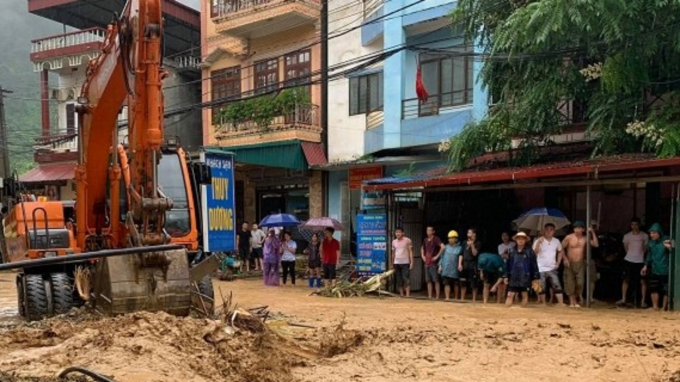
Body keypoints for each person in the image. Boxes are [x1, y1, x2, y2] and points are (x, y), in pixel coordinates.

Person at [562, 221, 599, 308]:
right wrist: (565, 259)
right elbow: (561, 248)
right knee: (569, 282)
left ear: (583, 229)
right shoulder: (569, 237)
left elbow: (596, 244)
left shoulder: (585, 238)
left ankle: (576, 299)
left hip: (580, 263)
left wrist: (592, 232)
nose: (577, 230)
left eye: (579, 228)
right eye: (575, 228)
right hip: (570, 263)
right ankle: (572, 302)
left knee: (580, 283)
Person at [617, 218, 649, 307]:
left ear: (639, 225)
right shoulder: (627, 236)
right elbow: (626, 248)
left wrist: (640, 255)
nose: (634, 227)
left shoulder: (644, 236)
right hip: (629, 260)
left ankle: (643, 301)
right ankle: (623, 299)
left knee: (642, 281)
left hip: (640, 261)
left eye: (636, 224)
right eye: (632, 225)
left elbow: (645, 248)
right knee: (625, 279)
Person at [641, 223, 673, 311]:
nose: (652, 235)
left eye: (654, 233)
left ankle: (664, 307)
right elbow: (649, 255)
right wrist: (645, 265)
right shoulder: (651, 243)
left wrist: (670, 247)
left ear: (659, 233)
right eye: (651, 233)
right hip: (655, 269)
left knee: (666, 289)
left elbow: (674, 250)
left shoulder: (666, 240)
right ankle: (655, 306)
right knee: (653, 287)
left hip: (665, 269)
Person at [533, 223, 566, 306]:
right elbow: (534, 252)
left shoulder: (556, 241)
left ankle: (560, 303)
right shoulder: (538, 240)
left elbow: (560, 251)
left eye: (551, 229)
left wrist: (558, 262)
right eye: (547, 229)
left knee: (556, 285)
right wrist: (538, 243)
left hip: (552, 266)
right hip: (540, 266)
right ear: (544, 230)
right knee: (542, 286)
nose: (548, 231)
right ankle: (543, 303)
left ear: (554, 231)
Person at [504, 232, 540, 307]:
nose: (520, 240)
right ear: (516, 240)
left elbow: (534, 264)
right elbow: (507, 264)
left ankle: (522, 313)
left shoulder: (530, 252)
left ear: (525, 240)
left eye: (522, 239)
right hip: (513, 276)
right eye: (519, 239)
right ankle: (506, 312)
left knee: (524, 295)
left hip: (525, 276)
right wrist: (505, 276)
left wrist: (535, 277)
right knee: (510, 295)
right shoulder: (511, 251)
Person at [421, 226, 444, 299]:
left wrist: (437, 256)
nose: (428, 232)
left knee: (436, 280)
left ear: (433, 231)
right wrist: (422, 256)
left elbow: (443, 247)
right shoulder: (425, 240)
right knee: (428, 280)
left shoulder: (436, 239)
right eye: (427, 230)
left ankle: (437, 296)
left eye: (430, 231)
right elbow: (422, 248)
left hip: (434, 263)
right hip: (427, 262)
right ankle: (430, 296)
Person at [459, 228, 482, 302]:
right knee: (463, 283)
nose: (468, 234)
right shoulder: (464, 242)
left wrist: (472, 245)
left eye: (470, 232)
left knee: (474, 284)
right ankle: (462, 298)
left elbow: (475, 254)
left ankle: (474, 299)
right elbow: (461, 254)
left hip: (472, 265)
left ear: (474, 234)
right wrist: (459, 264)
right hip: (464, 264)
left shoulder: (478, 243)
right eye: (468, 232)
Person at [439, 230, 462, 301]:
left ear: (456, 239)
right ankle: (447, 297)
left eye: (452, 238)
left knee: (456, 283)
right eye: (449, 238)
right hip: (446, 268)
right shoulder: (445, 247)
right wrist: (440, 265)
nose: (450, 239)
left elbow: (461, 257)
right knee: (446, 283)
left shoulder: (460, 248)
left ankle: (455, 297)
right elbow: (441, 257)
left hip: (455, 268)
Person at [392, 228, 414, 297]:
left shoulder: (407, 240)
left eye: (399, 232)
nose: (397, 234)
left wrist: (412, 262)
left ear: (403, 233)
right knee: (399, 279)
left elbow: (410, 251)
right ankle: (401, 295)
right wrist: (392, 263)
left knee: (405, 278)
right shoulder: (394, 242)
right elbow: (393, 253)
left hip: (405, 262)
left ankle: (407, 295)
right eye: (396, 232)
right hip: (396, 263)